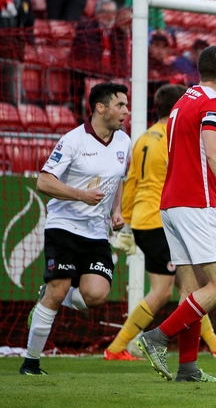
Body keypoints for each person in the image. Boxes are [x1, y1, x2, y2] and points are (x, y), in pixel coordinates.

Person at [105, 85, 216, 361]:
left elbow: (130, 180)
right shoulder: (172, 136)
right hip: (168, 217)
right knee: (170, 290)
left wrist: (128, 218)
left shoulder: (144, 138)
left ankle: (211, 347)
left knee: (189, 288)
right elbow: (186, 172)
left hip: (149, 218)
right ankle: (121, 346)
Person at [136, 46, 216, 383]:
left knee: (192, 290)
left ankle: (187, 369)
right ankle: (156, 336)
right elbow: (214, 153)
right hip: (195, 204)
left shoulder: (182, 102)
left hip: (170, 205)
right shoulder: (212, 103)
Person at [19, 82, 131, 376]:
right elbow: (44, 182)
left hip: (96, 231)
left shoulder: (124, 142)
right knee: (59, 288)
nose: (126, 111)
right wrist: (81, 195)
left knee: (96, 295)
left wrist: (116, 210)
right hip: (64, 227)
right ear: (100, 108)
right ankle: (31, 363)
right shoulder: (73, 140)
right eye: (120, 105)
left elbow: (117, 178)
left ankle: (50, 292)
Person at [70, 0, 128, 114]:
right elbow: (89, 59)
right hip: (90, 77)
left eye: (112, 13)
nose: (109, 16)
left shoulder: (118, 34)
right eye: (105, 12)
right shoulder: (86, 29)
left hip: (110, 78)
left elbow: (121, 60)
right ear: (97, 14)